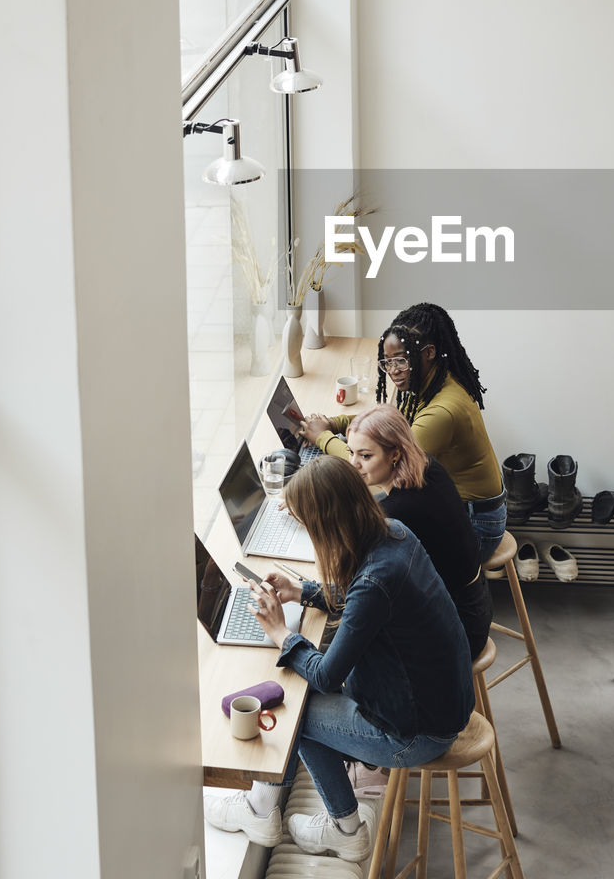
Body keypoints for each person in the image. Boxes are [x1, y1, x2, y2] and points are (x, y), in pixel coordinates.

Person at [203, 456, 475, 859]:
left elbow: (327, 677)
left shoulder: (373, 582)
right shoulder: (394, 535)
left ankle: (336, 827)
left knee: (298, 713)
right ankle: (271, 809)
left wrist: (281, 632)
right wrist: (304, 592)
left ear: (326, 523)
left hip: (416, 734)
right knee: (301, 698)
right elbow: (368, 604)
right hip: (442, 706)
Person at [300, 302, 506, 562]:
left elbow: (378, 463)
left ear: (429, 353)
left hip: (477, 525)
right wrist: (336, 423)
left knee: (360, 540)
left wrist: (322, 437)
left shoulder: (442, 412)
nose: (394, 371)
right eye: (388, 362)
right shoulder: (428, 382)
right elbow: (389, 425)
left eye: (401, 360)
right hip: (455, 505)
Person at [346, 403, 492, 659]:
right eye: (351, 452)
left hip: (458, 631)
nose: (354, 464)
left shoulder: (399, 515)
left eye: (365, 456)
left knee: (352, 633)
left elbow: (357, 579)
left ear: (395, 454)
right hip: (475, 602)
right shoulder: (427, 466)